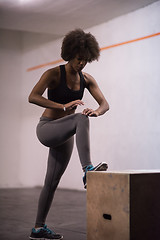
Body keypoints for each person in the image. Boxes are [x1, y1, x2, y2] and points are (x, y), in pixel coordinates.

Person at [28, 28, 109, 240]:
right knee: (79, 118)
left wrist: (97, 111)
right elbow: (33, 96)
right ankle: (87, 170)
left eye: (86, 60)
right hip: (47, 128)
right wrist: (62, 106)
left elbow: (105, 104)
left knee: (51, 182)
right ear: (70, 54)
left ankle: (38, 228)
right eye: (79, 59)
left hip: (65, 133)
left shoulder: (87, 79)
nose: (81, 63)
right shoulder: (53, 74)